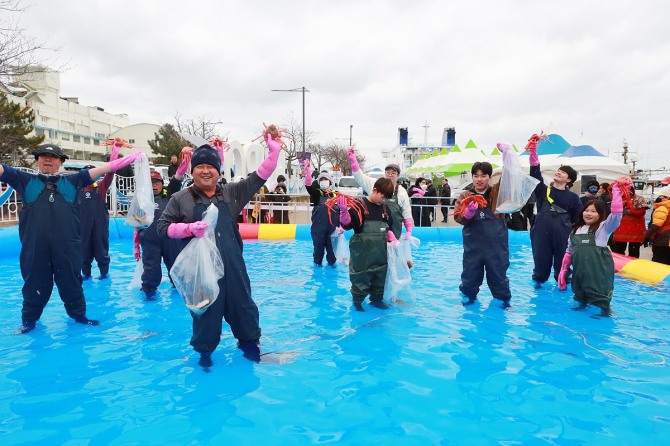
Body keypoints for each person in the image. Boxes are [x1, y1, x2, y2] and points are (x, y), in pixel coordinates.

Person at [157, 135, 280, 367]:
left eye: (210, 167)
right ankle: (204, 362)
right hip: (201, 273)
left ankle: (252, 353)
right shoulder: (180, 199)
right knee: (206, 322)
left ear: (218, 171)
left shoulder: (232, 193)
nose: (205, 171)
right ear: (192, 172)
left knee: (245, 312)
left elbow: (259, 176)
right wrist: (188, 229)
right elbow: (162, 228)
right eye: (200, 167)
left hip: (234, 268)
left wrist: (274, 154)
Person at [0, 143, 146, 333]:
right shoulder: (24, 180)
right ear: (37, 160)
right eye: (43, 156)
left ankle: (79, 316)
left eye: (53, 157)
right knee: (34, 285)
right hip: (35, 249)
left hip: (67, 247)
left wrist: (129, 158)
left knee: (72, 283)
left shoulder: (73, 181)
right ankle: (29, 322)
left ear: (60, 162)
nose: (48, 160)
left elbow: (106, 169)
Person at [557, 179, 625, 317]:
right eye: (586, 210)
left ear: (601, 214)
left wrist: (617, 192)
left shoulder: (603, 229)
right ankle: (582, 304)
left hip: (599, 271)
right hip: (580, 270)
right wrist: (563, 271)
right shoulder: (576, 230)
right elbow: (569, 251)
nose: (588, 213)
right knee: (580, 289)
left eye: (593, 211)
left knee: (600, 291)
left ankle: (605, 312)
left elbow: (616, 214)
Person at [454, 152, 512, 309]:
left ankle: (504, 302)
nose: (479, 179)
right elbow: (458, 218)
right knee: (469, 277)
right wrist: (468, 213)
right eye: (476, 175)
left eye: (483, 175)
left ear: (490, 177)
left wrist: (507, 156)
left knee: (499, 276)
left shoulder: (497, 193)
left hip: (496, 247)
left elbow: (509, 177)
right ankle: (468, 300)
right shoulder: (465, 195)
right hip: (473, 247)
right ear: (472, 177)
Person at [527, 134, 582, 288]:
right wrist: (533, 153)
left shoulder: (573, 198)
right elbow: (535, 174)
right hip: (540, 234)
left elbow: (577, 220)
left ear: (569, 180)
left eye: (563, 172)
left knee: (563, 268)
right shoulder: (543, 191)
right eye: (558, 170)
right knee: (540, 264)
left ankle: (563, 288)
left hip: (562, 236)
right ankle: (538, 290)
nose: (558, 172)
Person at [338, 177, 396, 311]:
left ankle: (376, 300)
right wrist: (344, 212)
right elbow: (347, 225)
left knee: (380, 278)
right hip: (362, 256)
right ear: (375, 190)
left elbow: (389, 227)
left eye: (387, 198)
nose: (384, 200)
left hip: (380, 256)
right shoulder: (359, 205)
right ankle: (357, 302)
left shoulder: (385, 209)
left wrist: (393, 239)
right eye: (382, 196)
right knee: (360, 278)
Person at [133, 169, 185, 300]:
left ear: (162, 184)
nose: (154, 185)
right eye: (151, 183)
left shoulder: (170, 196)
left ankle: (180, 292)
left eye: (157, 182)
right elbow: (136, 225)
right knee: (151, 271)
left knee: (177, 268)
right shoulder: (141, 201)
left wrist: (181, 169)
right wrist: (135, 245)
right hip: (150, 241)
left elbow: (176, 181)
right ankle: (149, 295)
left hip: (171, 240)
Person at [347, 148, 414, 241]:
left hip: (394, 231)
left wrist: (409, 231)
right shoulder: (376, 184)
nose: (390, 175)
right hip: (375, 234)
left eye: (393, 173)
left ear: (398, 176)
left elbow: (406, 212)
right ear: (375, 190)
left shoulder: (402, 192)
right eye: (388, 173)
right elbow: (360, 177)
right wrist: (354, 161)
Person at [78, 139, 122, 281]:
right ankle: (86, 274)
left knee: (101, 250)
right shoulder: (75, 191)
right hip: (82, 228)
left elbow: (111, 170)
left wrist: (115, 150)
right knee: (83, 251)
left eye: (93, 173)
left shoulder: (101, 188)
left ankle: (104, 273)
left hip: (100, 227)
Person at [303, 162, 337, 267]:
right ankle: (317, 270)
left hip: (332, 229)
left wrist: (340, 226)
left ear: (330, 182)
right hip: (318, 230)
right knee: (318, 253)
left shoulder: (335, 195)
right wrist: (308, 172)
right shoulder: (316, 193)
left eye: (325, 179)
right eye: (321, 180)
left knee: (332, 255)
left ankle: (331, 270)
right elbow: (308, 186)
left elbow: (340, 211)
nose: (324, 182)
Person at [611, 186, 648, 258]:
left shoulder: (639, 199)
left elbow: (642, 212)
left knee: (633, 253)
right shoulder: (618, 199)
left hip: (635, 230)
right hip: (620, 229)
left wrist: (629, 211)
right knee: (618, 252)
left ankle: (633, 268)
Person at [643, 186, 670, 265]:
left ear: (666, 197)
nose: (659, 198)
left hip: (663, 241)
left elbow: (655, 226)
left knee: (659, 262)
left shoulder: (663, 207)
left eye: (661, 196)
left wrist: (646, 236)